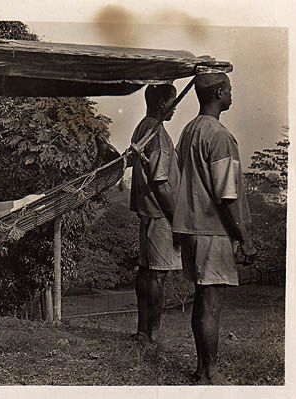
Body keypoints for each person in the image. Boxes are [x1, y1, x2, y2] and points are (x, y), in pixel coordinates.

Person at [173, 72, 256, 384]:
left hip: (191, 228)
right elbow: (227, 195)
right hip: (211, 229)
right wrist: (244, 238)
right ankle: (210, 372)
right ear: (220, 92)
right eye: (230, 89)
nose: (232, 94)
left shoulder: (189, 130)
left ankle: (202, 368)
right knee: (211, 305)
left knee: (202, 300)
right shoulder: (218, 135)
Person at [128, 84, 182, 345]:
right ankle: (153, 334)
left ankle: (143, 331)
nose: (175, 107)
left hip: (146, 211)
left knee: (146, 271)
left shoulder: (142, 127)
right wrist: (176, 219)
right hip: (160, 213)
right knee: (157, 274)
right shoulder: (156, 133)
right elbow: (160, 181)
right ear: (162, 103)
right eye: (172, 102)